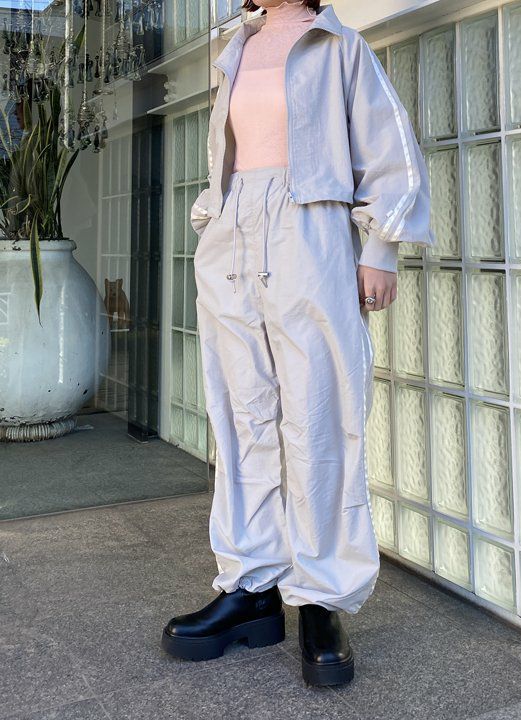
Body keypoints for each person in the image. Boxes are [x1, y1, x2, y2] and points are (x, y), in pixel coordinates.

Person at [161, 0, 434, 687]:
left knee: (318, 415)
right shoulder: (235, 47)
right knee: (241, 414)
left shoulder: (338, 45)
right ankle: (251, 586)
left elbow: (389, 146)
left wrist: (381, 248)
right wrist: (213, 219)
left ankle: (321, 598)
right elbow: (227, 155)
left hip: (311, 232)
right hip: (233, 240)